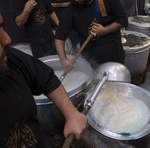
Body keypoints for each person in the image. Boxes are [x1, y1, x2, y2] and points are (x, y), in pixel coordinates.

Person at [0, 13, 87, 147]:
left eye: (1, 26)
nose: (6, 39)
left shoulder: (9, 58)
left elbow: (46, 78)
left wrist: (72, 114)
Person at [55, 0, 128, 72]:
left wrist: (104, 31)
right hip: (89, 58)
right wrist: (63, 59)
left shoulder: (108, 0)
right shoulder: (73, 7)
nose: (76, 0)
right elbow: (59, 37)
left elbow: (122, 20)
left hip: (112, 56)